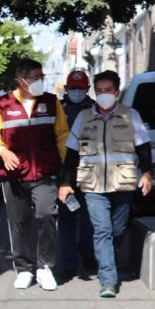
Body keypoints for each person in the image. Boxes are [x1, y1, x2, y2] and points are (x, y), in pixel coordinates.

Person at [58, 70, 152, 298]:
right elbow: (71, 153)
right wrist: (65, 183)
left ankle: (108, 260)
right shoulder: (83, 118)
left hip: (123, 184)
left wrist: (147, 173)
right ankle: (108, 280)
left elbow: (144, 148)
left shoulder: (131, 116)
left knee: (117, 229)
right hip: (92, 185)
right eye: (99, 91)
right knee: (102, 230)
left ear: (117, 92)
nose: (103, 95)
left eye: (107, 91)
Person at [0, 59, 69, 291]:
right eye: (36, 77)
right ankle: (23, 269)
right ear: (21, 81)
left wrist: (63, 171)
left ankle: (45, 267)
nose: (41, 81)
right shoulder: (2, 104)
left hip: (45, 173)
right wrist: (2, 150)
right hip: (14, 177)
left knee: (47, 214)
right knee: (18, 223)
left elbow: (63, 135)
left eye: (42, 76)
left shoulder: (52, 102)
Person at [57, 70, 96, 277]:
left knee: (90, 218)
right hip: (65, 173)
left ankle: (89, 255)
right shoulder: (58, 109)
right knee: (67, 218)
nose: (77, 91)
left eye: (81, 88)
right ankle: (68, 263)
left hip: (90, 172)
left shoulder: (94, 109)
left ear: (88, 89)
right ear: (66, 89)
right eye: (73, 88)